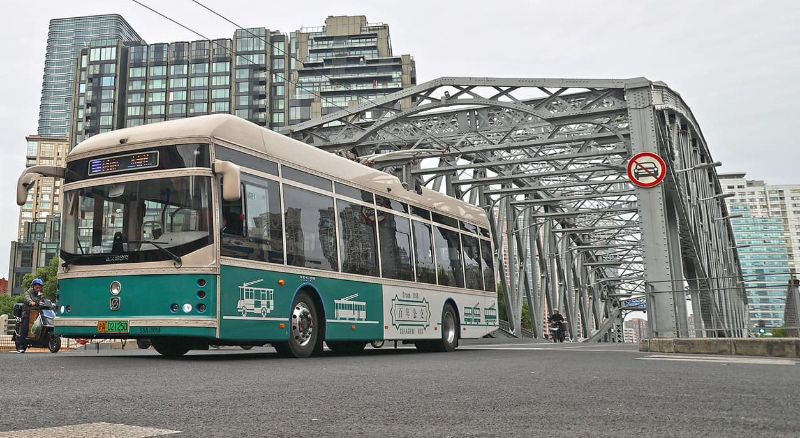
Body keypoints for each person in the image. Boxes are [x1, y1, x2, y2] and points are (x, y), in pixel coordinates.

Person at [16, 278, 44, 353]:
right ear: (33, 287)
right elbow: (26, 298)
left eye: (40, 287)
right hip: (27, 313)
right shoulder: (28, 293)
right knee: (24, 328)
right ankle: (21, 346)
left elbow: (43, 301)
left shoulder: (40, 294)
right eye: (37, 287)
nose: (38, 289)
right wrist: (31, 302)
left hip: (37, 313)